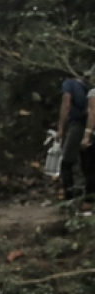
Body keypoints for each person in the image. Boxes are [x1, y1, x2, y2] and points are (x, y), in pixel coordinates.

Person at [57, 67, 94, 206]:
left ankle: (69, 197)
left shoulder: (69, 84)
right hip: (90, 127)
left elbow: (66, 104)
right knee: (88, 163)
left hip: (77, 125)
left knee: (66, 162)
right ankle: (89, 197)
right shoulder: (87, 86)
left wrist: (61, 127)